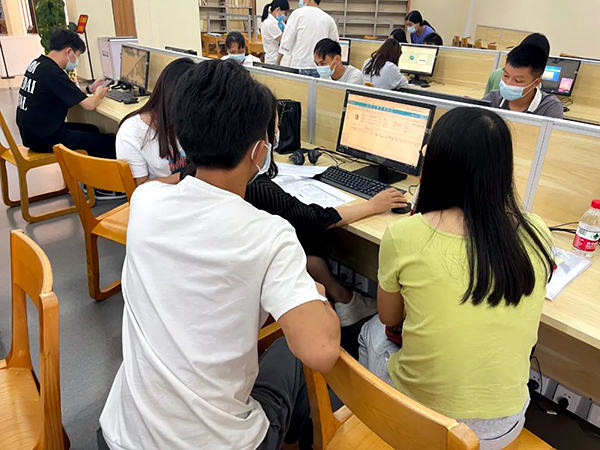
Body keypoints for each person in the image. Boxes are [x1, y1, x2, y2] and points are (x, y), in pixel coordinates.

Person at [98, 59, 341, 450]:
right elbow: (322, 353)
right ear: (259, 150)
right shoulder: (269, 235)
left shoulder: (145, 200)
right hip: (221, 444)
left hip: (120, 435)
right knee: (293, 352)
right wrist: (317, 296)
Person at [358, 107, 554, 450]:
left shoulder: (405, 235)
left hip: (427, 425)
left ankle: (375, 428)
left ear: (437, 164)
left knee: (370, 330)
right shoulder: (536, 229)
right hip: (504, 427)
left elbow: (390, 318)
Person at [246, 112, 407, 328]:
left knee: (304, 234)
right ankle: (343, 300)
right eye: (275, 130)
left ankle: (343, 298)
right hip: (262, 294)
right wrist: (371, 206)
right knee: (305, 230)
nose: (278, 135)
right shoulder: (255, 185)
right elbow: (313, 218)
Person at [16, 29, 115, 159]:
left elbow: (65, 91)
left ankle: (87, 170)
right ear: (69, 52)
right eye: (77, 55)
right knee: (107, 143)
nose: (76, 60)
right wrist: (98, 95)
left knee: (92, 130)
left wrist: (90, 89)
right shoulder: (53, 72)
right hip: (45, 138)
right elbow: (89, 105)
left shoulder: (39, 64)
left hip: (33, 133)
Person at [117, 58, 194, 186]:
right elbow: (141, 186)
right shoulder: (132, 132)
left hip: (192, 190)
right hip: (161, 195)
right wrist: (184, 175)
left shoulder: (191, 121)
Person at [483, 44, 563, 119]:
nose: (508, 83)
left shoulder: (550, 108)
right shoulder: (492, 99)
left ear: (536, 82)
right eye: (506, 75)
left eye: (518, 81)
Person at [276, 0, 339, 76]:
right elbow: (335, 46)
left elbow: (286, 41)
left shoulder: (297, 14)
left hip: (299, 65)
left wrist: (278, 62)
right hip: (320, 67)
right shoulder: (328, 19)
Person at [485, 33, 550, 95]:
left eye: (518, 81)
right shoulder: (534, 81)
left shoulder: (496, 74)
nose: (508, 83)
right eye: (505, 76)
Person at [261, 0, 290, 65]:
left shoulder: (279, 22)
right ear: (278, 9)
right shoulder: (270, 23)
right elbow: (283, 40)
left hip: (280, 57)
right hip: (273, 59)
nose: (284, 15)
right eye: (284, 13)